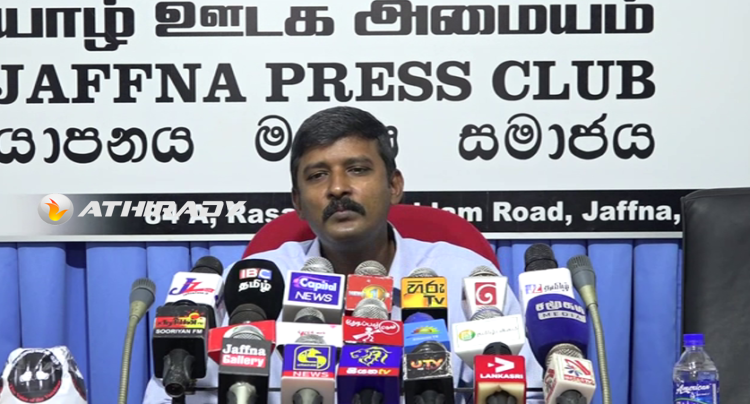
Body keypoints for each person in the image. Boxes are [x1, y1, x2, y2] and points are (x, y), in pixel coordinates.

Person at [142, 106, 544, 403]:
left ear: (394, 186)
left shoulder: (466, 279)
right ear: (298, 202)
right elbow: (170, 394)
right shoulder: (250, 286)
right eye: (318, 175)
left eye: (357, 169)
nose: (337, 188)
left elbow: (531, 390)